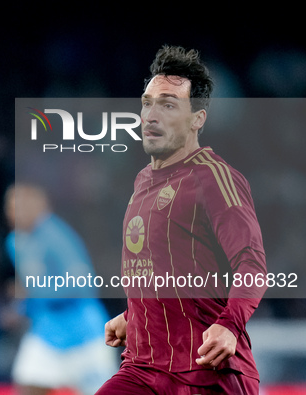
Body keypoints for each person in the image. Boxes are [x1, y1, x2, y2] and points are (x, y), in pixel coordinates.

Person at [96, 45, 267, 394]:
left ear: (197, 119)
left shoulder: (214, 178)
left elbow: (252, 265)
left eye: (169, 105)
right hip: (142, 370)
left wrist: (229, 326)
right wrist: (135, 317)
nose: (151, 115)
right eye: (147, 103)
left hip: (206, 375)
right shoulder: (142, 181)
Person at [4, 183, 118, 395]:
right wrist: (20, 308)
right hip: (47, 333)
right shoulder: (15, 242)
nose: (14, 212)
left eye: (20, 205)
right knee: (28, 388)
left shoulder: (56, 237)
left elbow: (83, 283)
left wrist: (35, 292)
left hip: (84, 334)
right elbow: (30, 287)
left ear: (39, 206)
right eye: (10, 207)